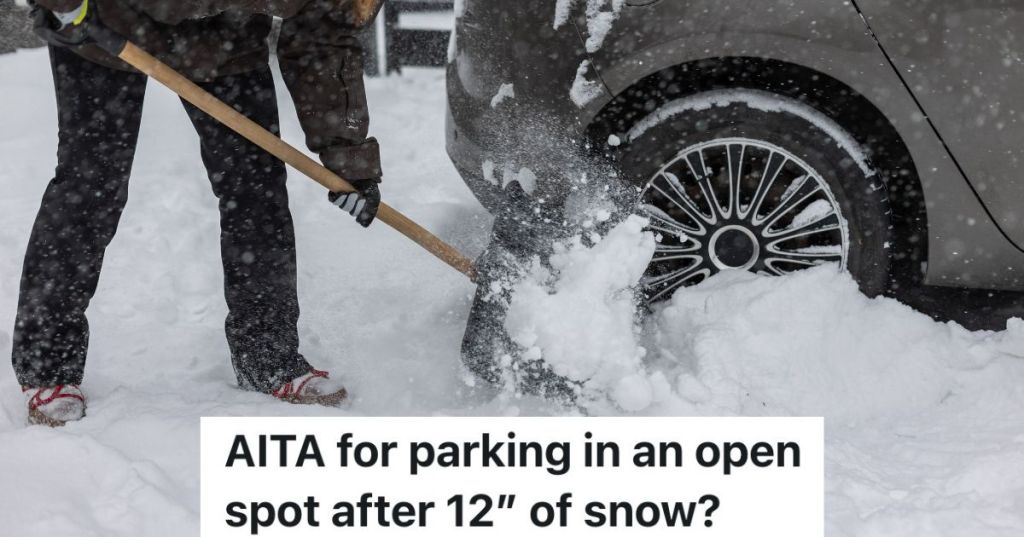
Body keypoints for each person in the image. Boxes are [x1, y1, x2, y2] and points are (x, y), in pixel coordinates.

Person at [14, 0, 384, 427]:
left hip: (222, 41)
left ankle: (267, 355)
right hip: (100, 25)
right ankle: (48, 364)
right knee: (91, 188)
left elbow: (322, 38)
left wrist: (347, 158)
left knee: (256, 189)